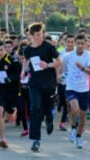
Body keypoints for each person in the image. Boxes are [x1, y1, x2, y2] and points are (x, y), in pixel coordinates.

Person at [21, 23, 62, 153]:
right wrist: (23, 71)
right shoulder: (28, 49)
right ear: (31, 36)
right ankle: (35, 140)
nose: (40, 36)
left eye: (42, 34)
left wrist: (48, 65)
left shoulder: (48, 47)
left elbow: (59, 61)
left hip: (49, 83)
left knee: (47, 107)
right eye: (37, 35)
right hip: (35, 83)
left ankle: (49, 119)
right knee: (35, 108)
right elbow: (26, 60)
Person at [0, 40, 21, 148]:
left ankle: (13, 112)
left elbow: (19, 74)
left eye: (1, 50)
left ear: (5, 50)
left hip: (11, 91)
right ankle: (3, 139)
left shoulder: (13, 61)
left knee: (9, 114)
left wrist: (10, 79)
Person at [63, 34, 90, 149]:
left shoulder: (88, 56)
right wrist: (60, 75)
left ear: (85, 44)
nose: (80, 46)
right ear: (75, 44)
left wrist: (83, 68)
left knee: (82, 116)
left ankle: (79, 136)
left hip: (84, 89)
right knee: (74, 109)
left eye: (82, 44)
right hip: (71, 87)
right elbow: (62, 65)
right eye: (78, 43)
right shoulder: (68, 56)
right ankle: (73, 128)